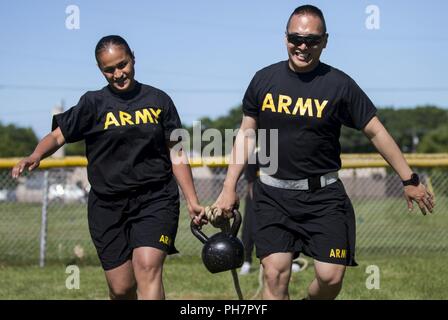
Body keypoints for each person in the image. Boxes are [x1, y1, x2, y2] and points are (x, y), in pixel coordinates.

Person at [212, 5, 434, 300]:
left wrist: (409, 179)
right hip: (273, 196)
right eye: (296, 38)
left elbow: (376, 131)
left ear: (325, 41)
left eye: (312, 40)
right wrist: (229, 187)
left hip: (324, 197)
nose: (302, 46)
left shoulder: (339, 84)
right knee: (275, 274)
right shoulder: (263, 80)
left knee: (330, 277)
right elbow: (246, 133)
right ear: (285, 38)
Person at [11, 35, 205, 300]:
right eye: (109, 69)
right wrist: (35, 154)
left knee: (147, 266)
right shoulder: (93, 104)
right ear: (100, 70)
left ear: (133, 58)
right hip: (107, 205)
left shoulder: (159, 100)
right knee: (121, 287)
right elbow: (58, 135)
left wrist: (192, 200)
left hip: (155, 198)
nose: (118, 73)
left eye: (122, 65)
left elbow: (177, 152)